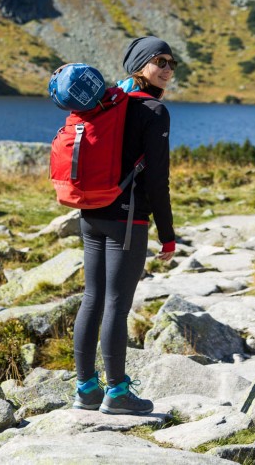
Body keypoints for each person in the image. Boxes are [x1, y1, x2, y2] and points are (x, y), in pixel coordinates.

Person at [71, 36, 178, 415]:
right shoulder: (153, 111)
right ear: (140, 64)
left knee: (92, 298)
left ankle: (86, 388)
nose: (167, 69)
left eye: (171, 63)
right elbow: (157, 180)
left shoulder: (110, 103)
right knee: (116, 303)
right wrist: (167, 234)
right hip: (126, 219)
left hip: (92, 213)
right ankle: (117, 393)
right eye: (159, 61)